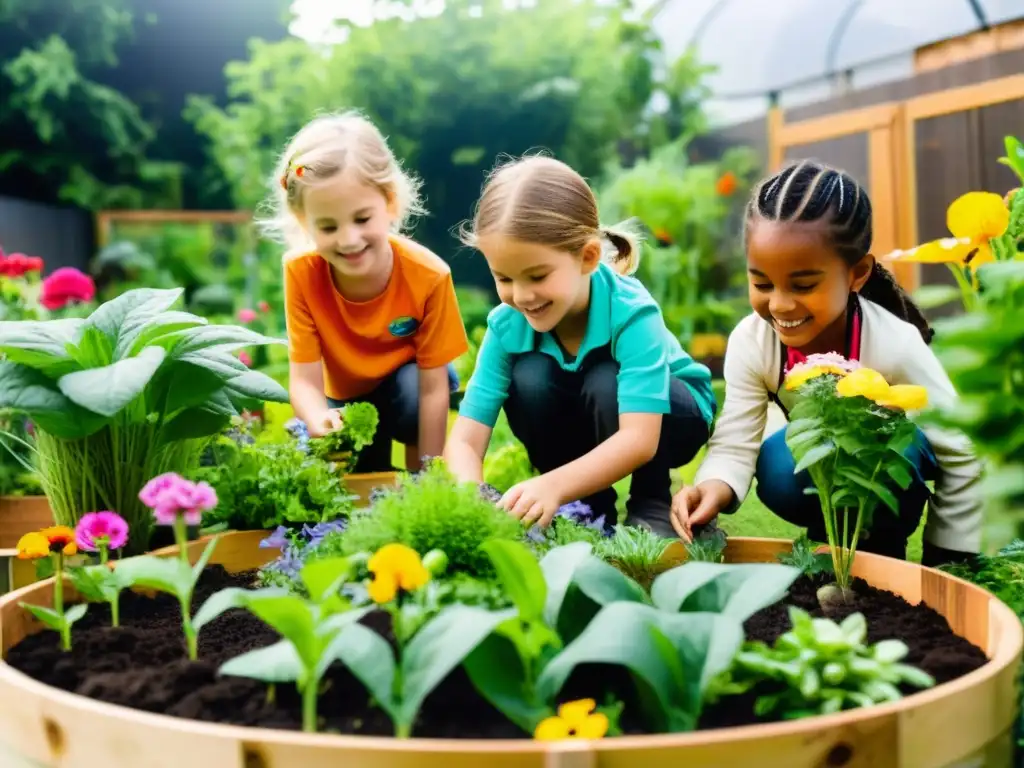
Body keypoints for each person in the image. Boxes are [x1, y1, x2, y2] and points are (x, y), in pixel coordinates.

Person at [670, 159, 982, 567]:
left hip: (889, 470)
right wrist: (712, 486)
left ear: (857, 274)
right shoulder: (752, 340)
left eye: (803, 285)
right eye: (762, 283)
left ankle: (884, 547)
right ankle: (830, 545)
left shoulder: (896, 345)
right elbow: (736, 440)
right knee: (782, 466)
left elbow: (960, 448)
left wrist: (950, 559)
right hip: (814, 466)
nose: (779, 304)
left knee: (885, 446)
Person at [443, 155, 717, 536]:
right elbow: (465, 439)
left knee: (607, 378)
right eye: (504, 277)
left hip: (674, 416)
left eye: (537, 275)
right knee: (532, 376)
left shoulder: (631, 313)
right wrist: (470, 493)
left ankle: (651, 501)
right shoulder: (507, 326)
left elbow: (639, 439)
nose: (521, 295)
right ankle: (586, 510)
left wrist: (550, 485)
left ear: (587, 257)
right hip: (589, 409)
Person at [265, 112, 468, 473]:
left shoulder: (429, 275)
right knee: (358, 484)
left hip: (409, 389)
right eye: (328, 226)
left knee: (412, 395)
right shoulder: (301, 272)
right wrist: (318, 420)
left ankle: (414, 484)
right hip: (343, 400)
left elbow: (433, 390)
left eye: (362, 219)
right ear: (303, 220)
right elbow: (304, 381)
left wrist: (428, 471)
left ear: (389, 202)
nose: (348, 239)